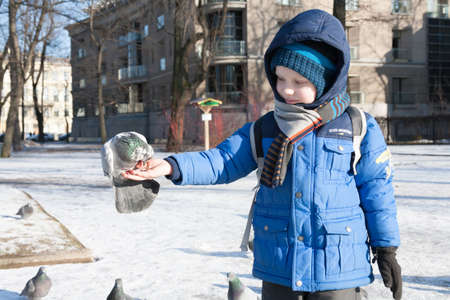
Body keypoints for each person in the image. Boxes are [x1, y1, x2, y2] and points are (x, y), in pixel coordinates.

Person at [122, 9, 402, 300]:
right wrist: (169, 166)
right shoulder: (266, 128)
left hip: (338, 267)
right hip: (279, 264)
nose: (286, 90)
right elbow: (221, 161)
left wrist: (386, 248)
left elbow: (377, 192)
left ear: (326, 81)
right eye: (281, 78)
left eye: (299, 82)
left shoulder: (358, 126)